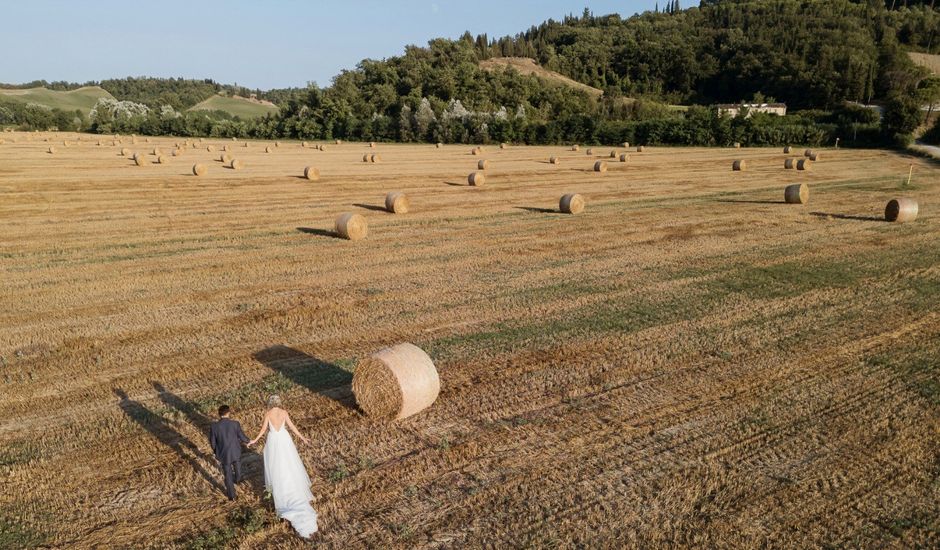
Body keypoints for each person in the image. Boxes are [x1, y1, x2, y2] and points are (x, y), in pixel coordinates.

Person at [248, 395, 318, 538]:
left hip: (274, 440)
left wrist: (254, 440)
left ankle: (281, 490)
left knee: (276, 466)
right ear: (279, 403)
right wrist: (303, 438)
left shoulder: (268, 414)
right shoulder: (284, 412)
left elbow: (263, 430)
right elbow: (292, 427)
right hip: (285, 439)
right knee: (289, 462)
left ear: (269, 403)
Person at [208, 404, 250, 501]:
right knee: (238, 471)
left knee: (228, 474)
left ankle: (232, 496)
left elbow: (212, 442)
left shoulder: (214, 426)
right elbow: (242, 436)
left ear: (219, 414)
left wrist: (216, 451)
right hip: (235, 452)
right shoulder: (235, 424)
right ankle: (237, 480)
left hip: (223, 454)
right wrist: (249, 441)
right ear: (228, 413)